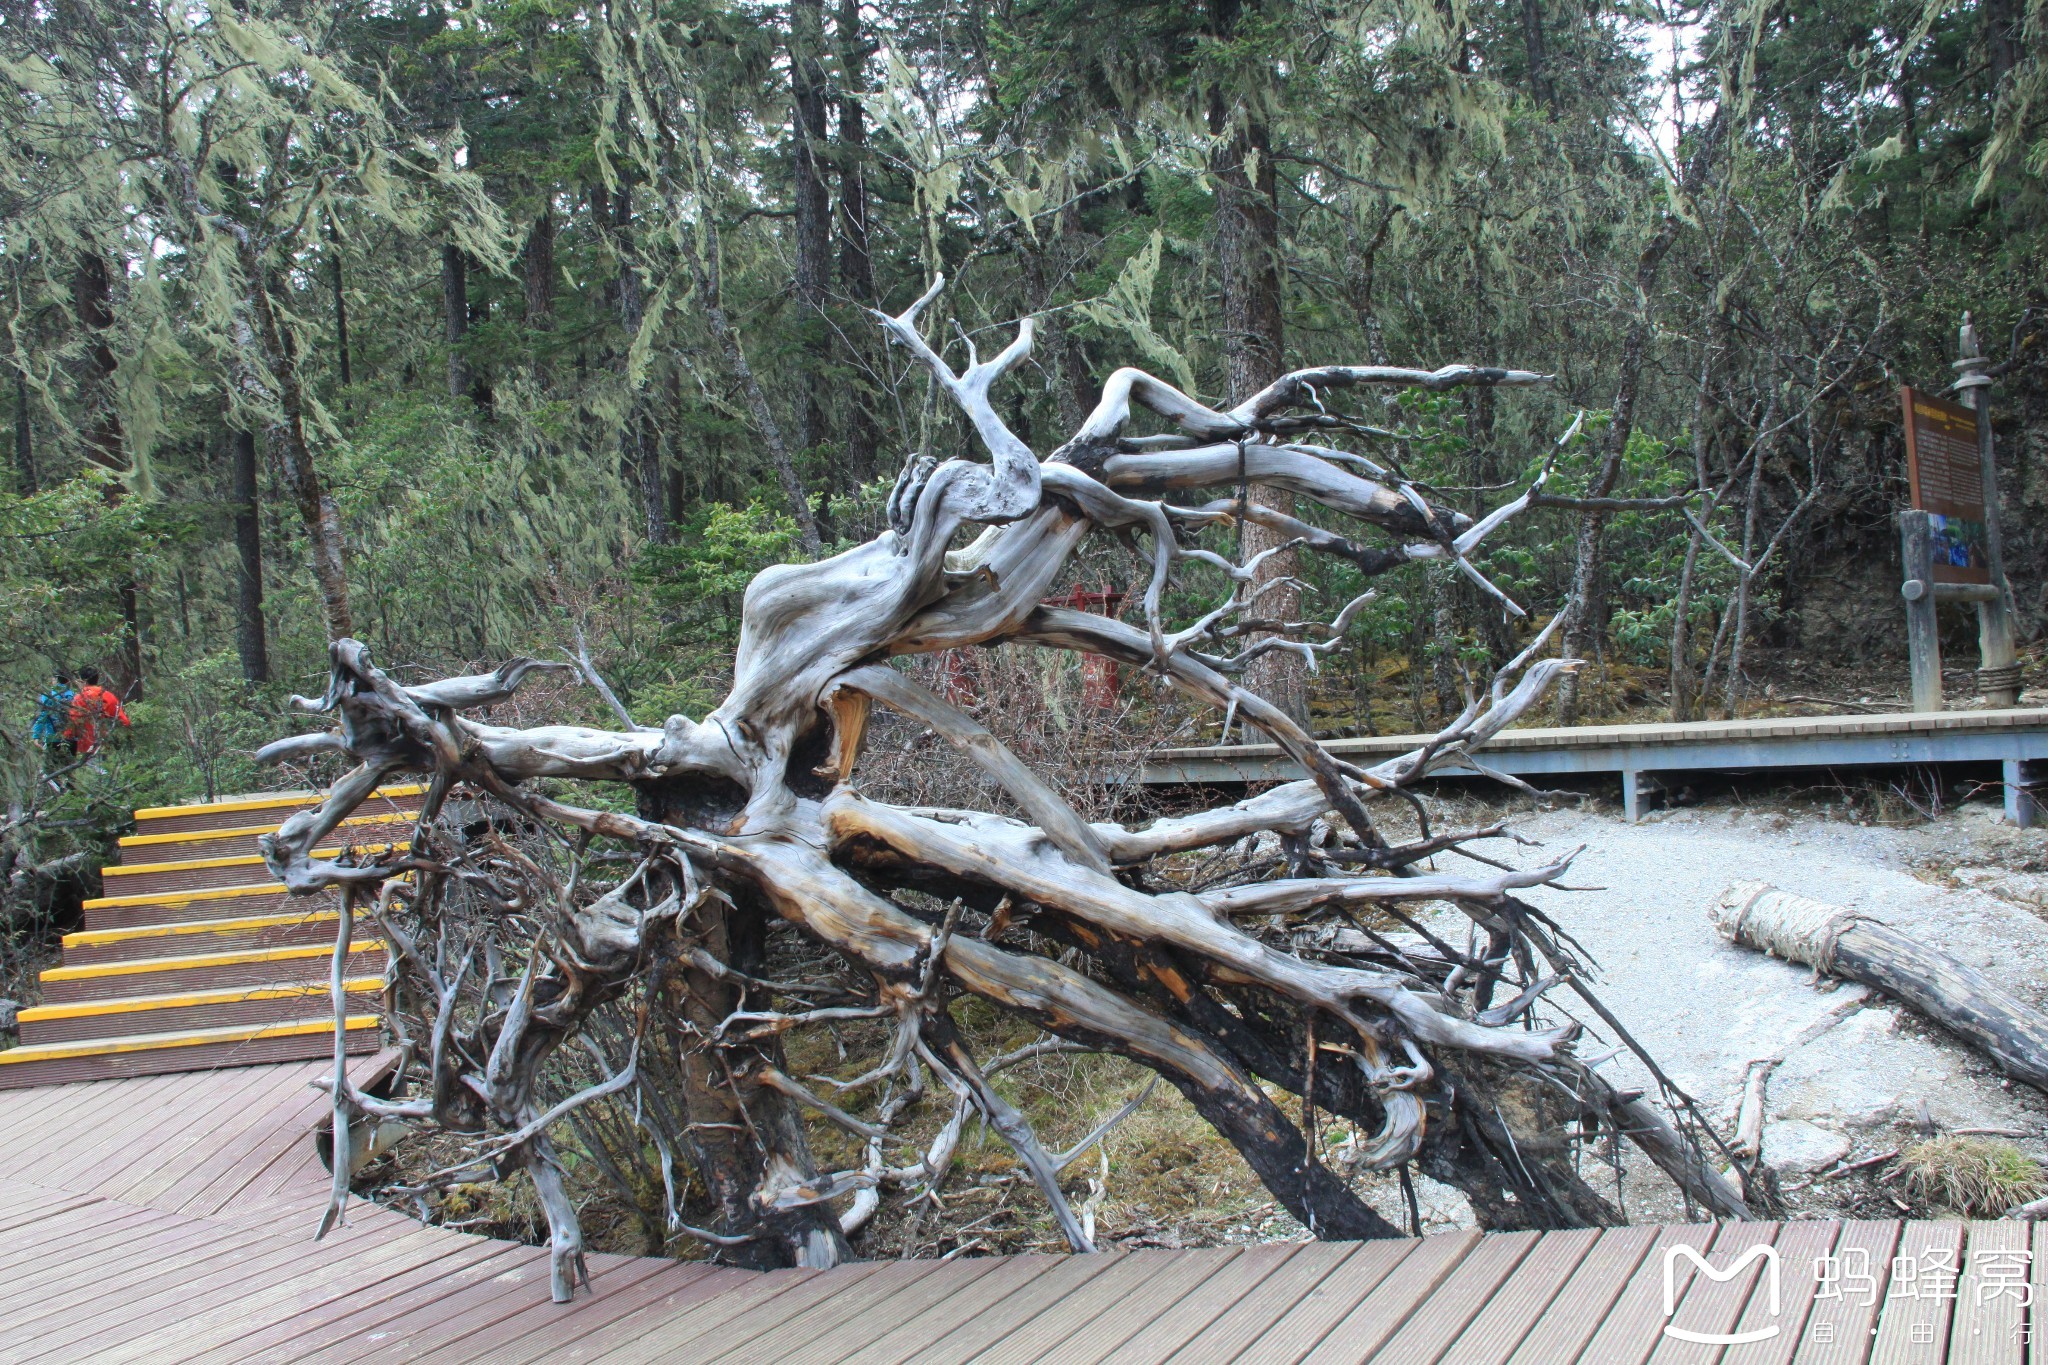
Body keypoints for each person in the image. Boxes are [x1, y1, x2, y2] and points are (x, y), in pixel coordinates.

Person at [65, 667, 130, 757]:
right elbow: (124, 721)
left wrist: (66, 740)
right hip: (106, 747)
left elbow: (73, 724)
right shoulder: (109, 696)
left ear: (83, 681)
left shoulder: (79, 699)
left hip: (85, 748)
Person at [31, 672, 76, 757]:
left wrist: (36, 735)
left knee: (51, 768)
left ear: (56, 679)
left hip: (53, 737)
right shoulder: (73, 696)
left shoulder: (48, 696)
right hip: (71, 738)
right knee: (68, 766)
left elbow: (43, 716)